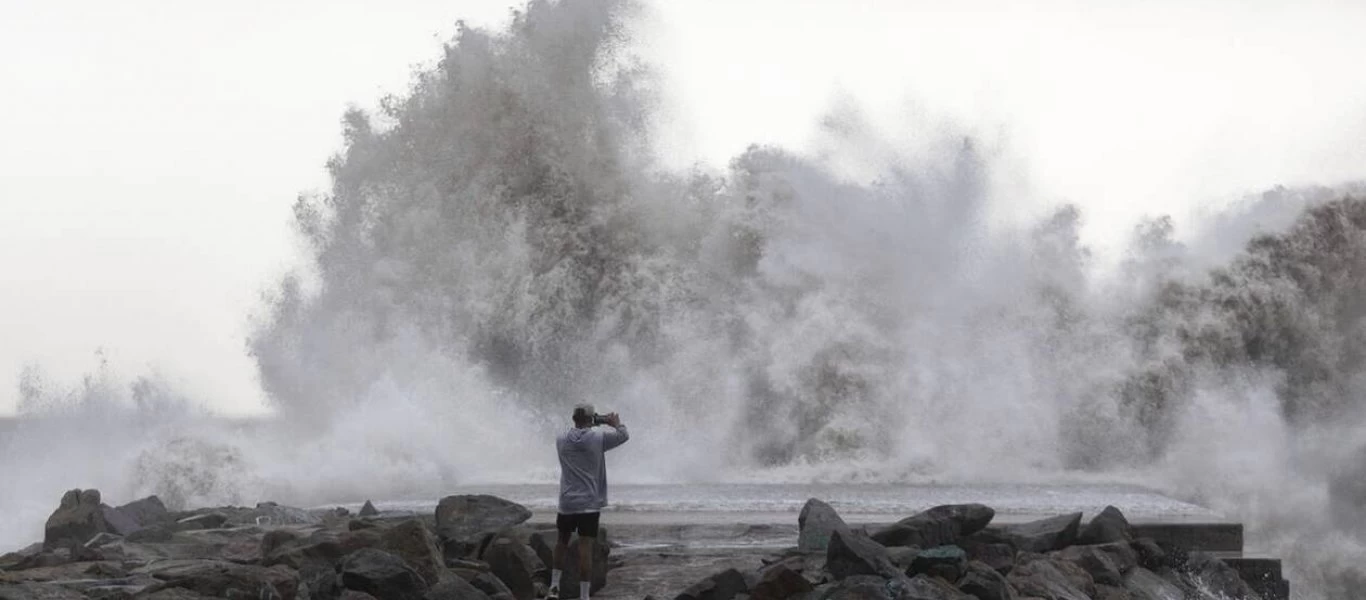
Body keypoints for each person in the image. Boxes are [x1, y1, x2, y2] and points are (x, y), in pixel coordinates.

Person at [549, 403, 629, 600]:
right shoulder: (598, 438)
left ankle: (553, 587)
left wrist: (591, 423)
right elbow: (623, 435)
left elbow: (578, 436)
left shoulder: (561, 439)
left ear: (574, 418)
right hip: (589, 504)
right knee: (585, 549)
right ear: (592, 419)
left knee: (561, 543)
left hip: (567, 502)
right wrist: (615, 423)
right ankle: (584, 597)